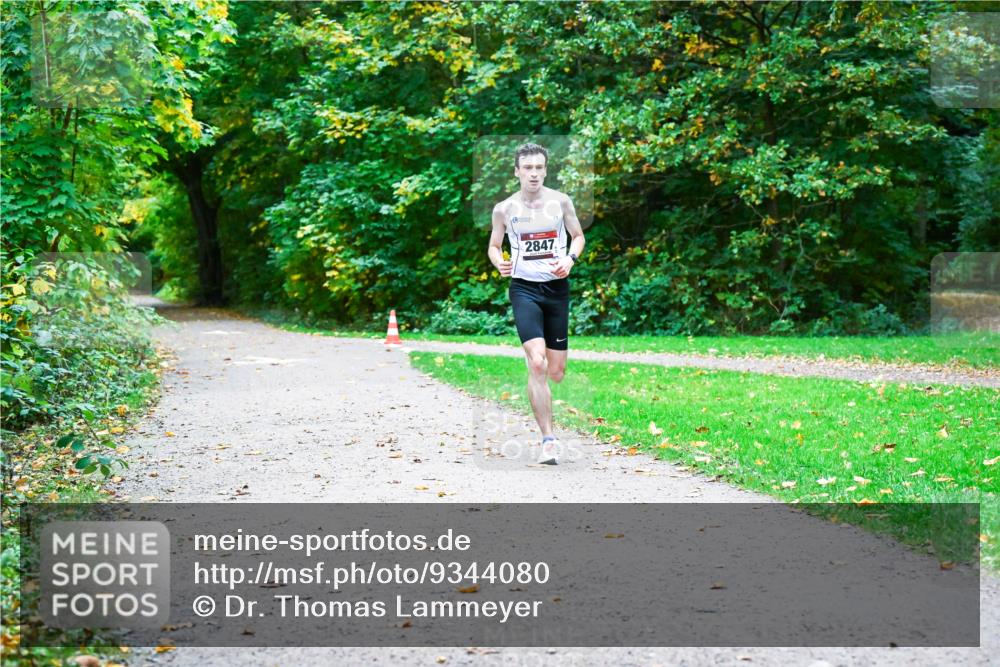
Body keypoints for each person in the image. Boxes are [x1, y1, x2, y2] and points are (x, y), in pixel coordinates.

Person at [487, 143, 585, 465]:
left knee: (556, 372)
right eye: (527, 168)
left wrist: (570, 259)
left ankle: (540, 369)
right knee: (538, 363)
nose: (533, 174)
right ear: (517, 171)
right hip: (524, 290)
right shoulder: (504, 209)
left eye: (538, 168)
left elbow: (578, 237)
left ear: (545, 170)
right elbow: (494, 245)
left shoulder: (560, 202)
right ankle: (548, 440)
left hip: (557, 290)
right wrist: (498, 262)